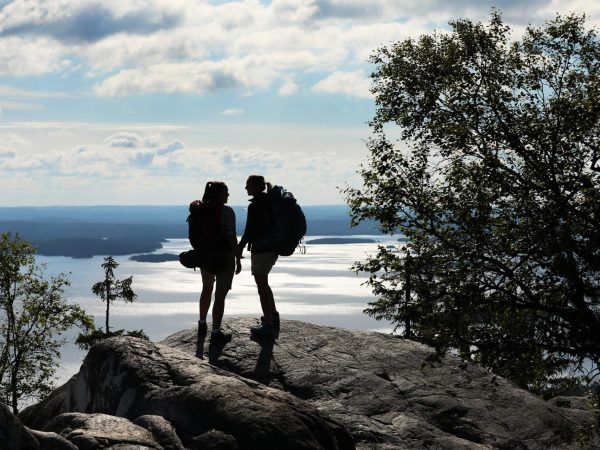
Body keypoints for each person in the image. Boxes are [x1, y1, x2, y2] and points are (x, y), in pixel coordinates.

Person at [191, 181, 242, 346]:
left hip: (206, 256)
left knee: (206, 289)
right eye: (226, 192)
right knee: (220, 296)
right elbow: (231, 236)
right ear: (218, 194)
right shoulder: (227, 211)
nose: (228, 195)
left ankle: (202, 323)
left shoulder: (201, 210)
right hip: (224, 256)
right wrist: (237, 257)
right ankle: (215, 332)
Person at [239, 175, 280, 338]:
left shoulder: (256, 205)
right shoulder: (269, 201)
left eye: (248, 185)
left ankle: (268, 324)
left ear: (256, 187)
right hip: (272, 248)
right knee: (264, 282)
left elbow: (249, 230)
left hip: (261, 249)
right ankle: (273, 315)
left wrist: (239, 248)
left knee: (261, 286)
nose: (245, 188)